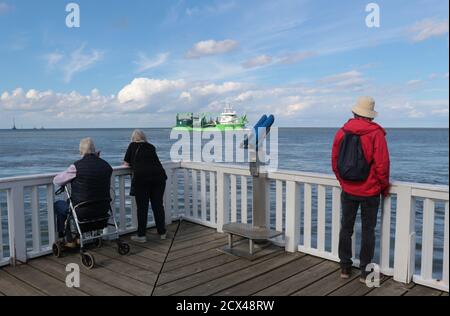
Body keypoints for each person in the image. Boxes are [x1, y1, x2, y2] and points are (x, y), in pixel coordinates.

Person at [332, 97, 390, 283]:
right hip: (370, 191)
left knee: (346, 228)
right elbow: (382, 165)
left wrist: (343, 182)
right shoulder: (376, 133)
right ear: (370, 115)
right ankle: (366, 272)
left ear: (354, 112)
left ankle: (345, 267)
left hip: (348, 189)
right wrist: (384, 187)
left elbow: (334, 162)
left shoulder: (341, 132)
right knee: (368, 231)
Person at [53, 138, 113, 246]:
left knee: (58, 205)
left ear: (81, 151)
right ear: (95, 151)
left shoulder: (76, 167)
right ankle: (79, 236)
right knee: (74, 204)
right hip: (103, 208)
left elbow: (56, 181)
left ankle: (68, 239)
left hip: (83, 211)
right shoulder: (106, 166)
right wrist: (98, 159)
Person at [124, 130, 167, 243]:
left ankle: (142, 235)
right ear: (144, 137)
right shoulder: (151, 147)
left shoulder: (132, 146)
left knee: (142, 208)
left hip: (142, 179)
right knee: (158, 205)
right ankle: (162, 232)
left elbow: (126, 163)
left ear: (133, 138)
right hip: (159, 177)